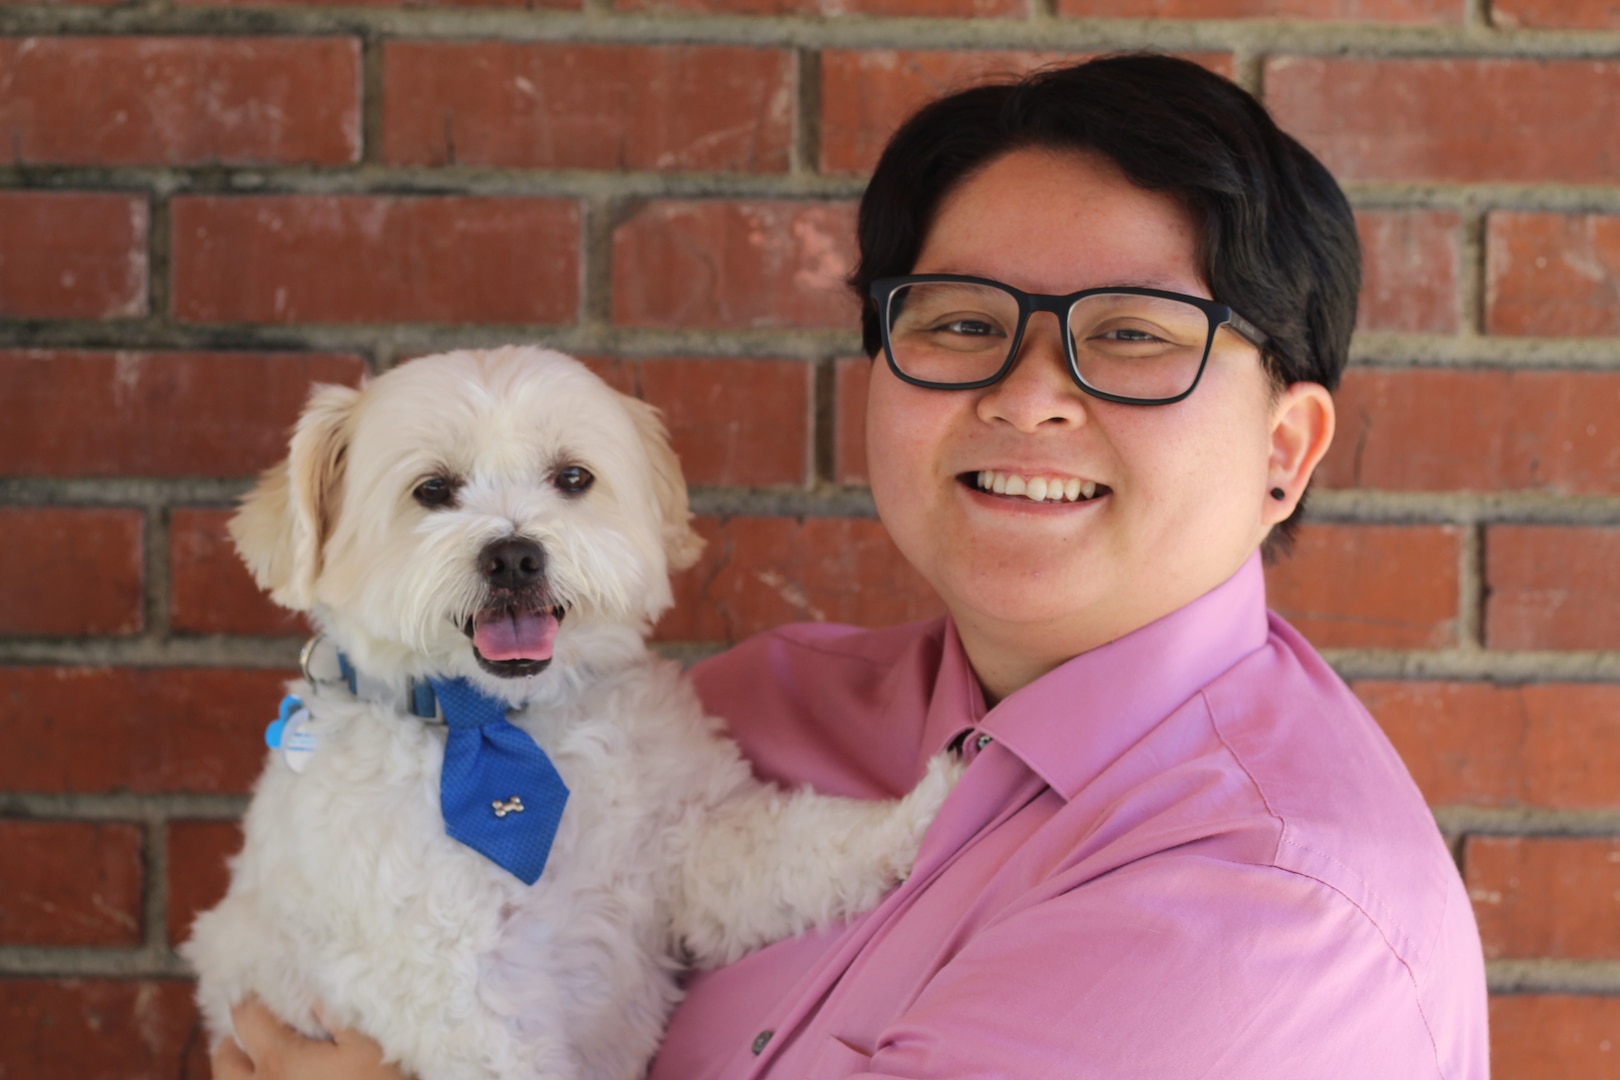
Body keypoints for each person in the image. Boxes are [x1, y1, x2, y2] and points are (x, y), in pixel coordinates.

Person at [215, 52, 1489, 1079]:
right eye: (963, 324)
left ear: (1285, 448)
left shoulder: (1259, 910)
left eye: (1133, 335)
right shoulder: (750, 710)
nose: (1030, 395)